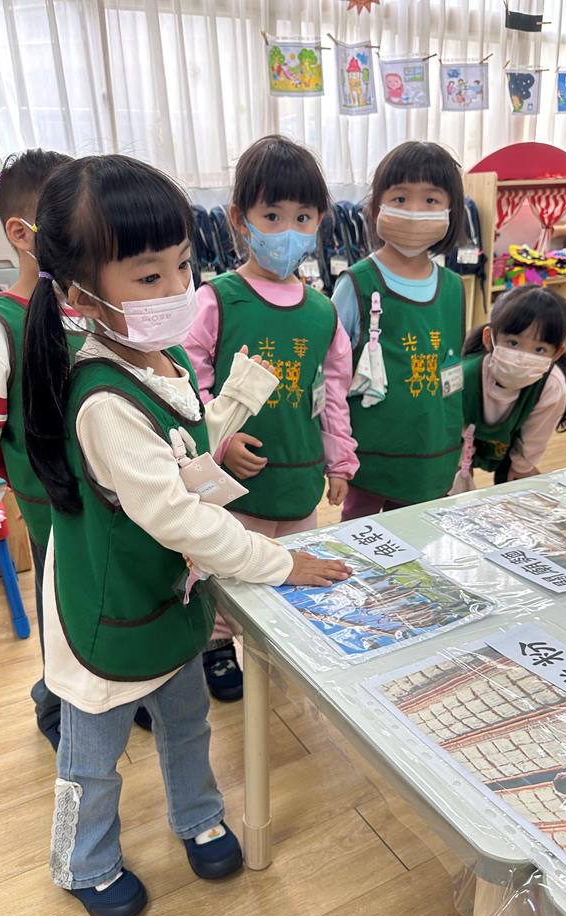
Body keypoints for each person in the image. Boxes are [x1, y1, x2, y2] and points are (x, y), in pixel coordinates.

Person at [22, 153, 350, 916]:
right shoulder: (102, 397)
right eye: (148, 277)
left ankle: (197, 817)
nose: (177, 289)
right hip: (105, 618)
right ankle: (79, 860)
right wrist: (280, 563)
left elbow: (178, 459)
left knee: (187, 721)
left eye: (180, 265)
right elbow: (175, 514)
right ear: (80, 297)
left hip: (167, 600)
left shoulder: (160, 360)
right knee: (91, 758)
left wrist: (222, 428)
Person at [184, 135, 358, 700]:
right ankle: (215, 646)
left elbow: (334, 393)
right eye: (272, 216)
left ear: (320, 222)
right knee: (224, 573)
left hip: (299, 476)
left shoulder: (322, 311)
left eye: (302, 217)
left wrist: (340, 461)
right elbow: (189, 387)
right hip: (235, 487)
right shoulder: (217, 300)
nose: (287, 230)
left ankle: (281, 646)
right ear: (240, 220)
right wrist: (221, 442)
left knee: (289, 569)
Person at [0, 148, 86, 751]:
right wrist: (31, 478)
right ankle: (56, 705)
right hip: (50, 505)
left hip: (110, 500)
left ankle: (107, 692)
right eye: (71, 225)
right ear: (21, 233)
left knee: (98, 602)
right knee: (59, 606)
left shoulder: (92, 314)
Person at [332, 141, 466, 521]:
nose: (415, 211)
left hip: (432, 452)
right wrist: (335, 452)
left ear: (451, 210)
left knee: (418, 534)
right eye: (401, 198)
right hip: (370, 456)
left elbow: (453, 371)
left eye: (431, 200)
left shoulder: (453, 287)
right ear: (377, 207)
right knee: (361, 537)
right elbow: (330, 371)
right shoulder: (357, 284)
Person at [459, 284, 566, 486]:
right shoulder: (464, 376)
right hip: (460, 442)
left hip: (514, 446)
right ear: (489, 338)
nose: (522, 357)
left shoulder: (552, 386)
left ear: (556, 354)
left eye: (539, 349)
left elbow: (532, 442)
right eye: (513, 343)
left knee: (520, 483)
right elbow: (450, 438)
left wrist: (522, 467)